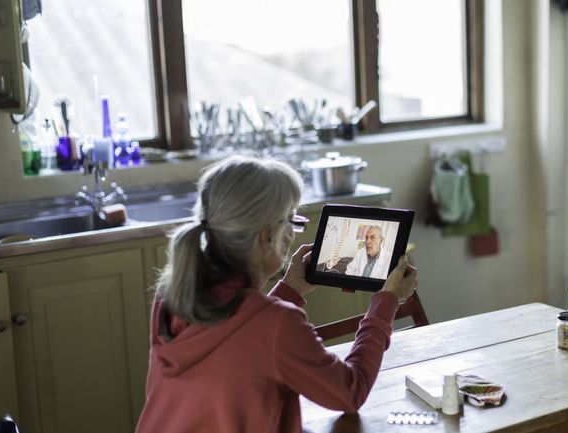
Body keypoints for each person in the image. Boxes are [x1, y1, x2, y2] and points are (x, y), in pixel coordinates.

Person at [135, 155, 417, 433]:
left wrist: (291, 289)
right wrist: (386, 302)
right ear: (266, 236)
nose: (294, 233)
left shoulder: (172, 297)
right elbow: (349, 391)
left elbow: (240, 341)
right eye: (291, 221)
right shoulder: (276, 323)